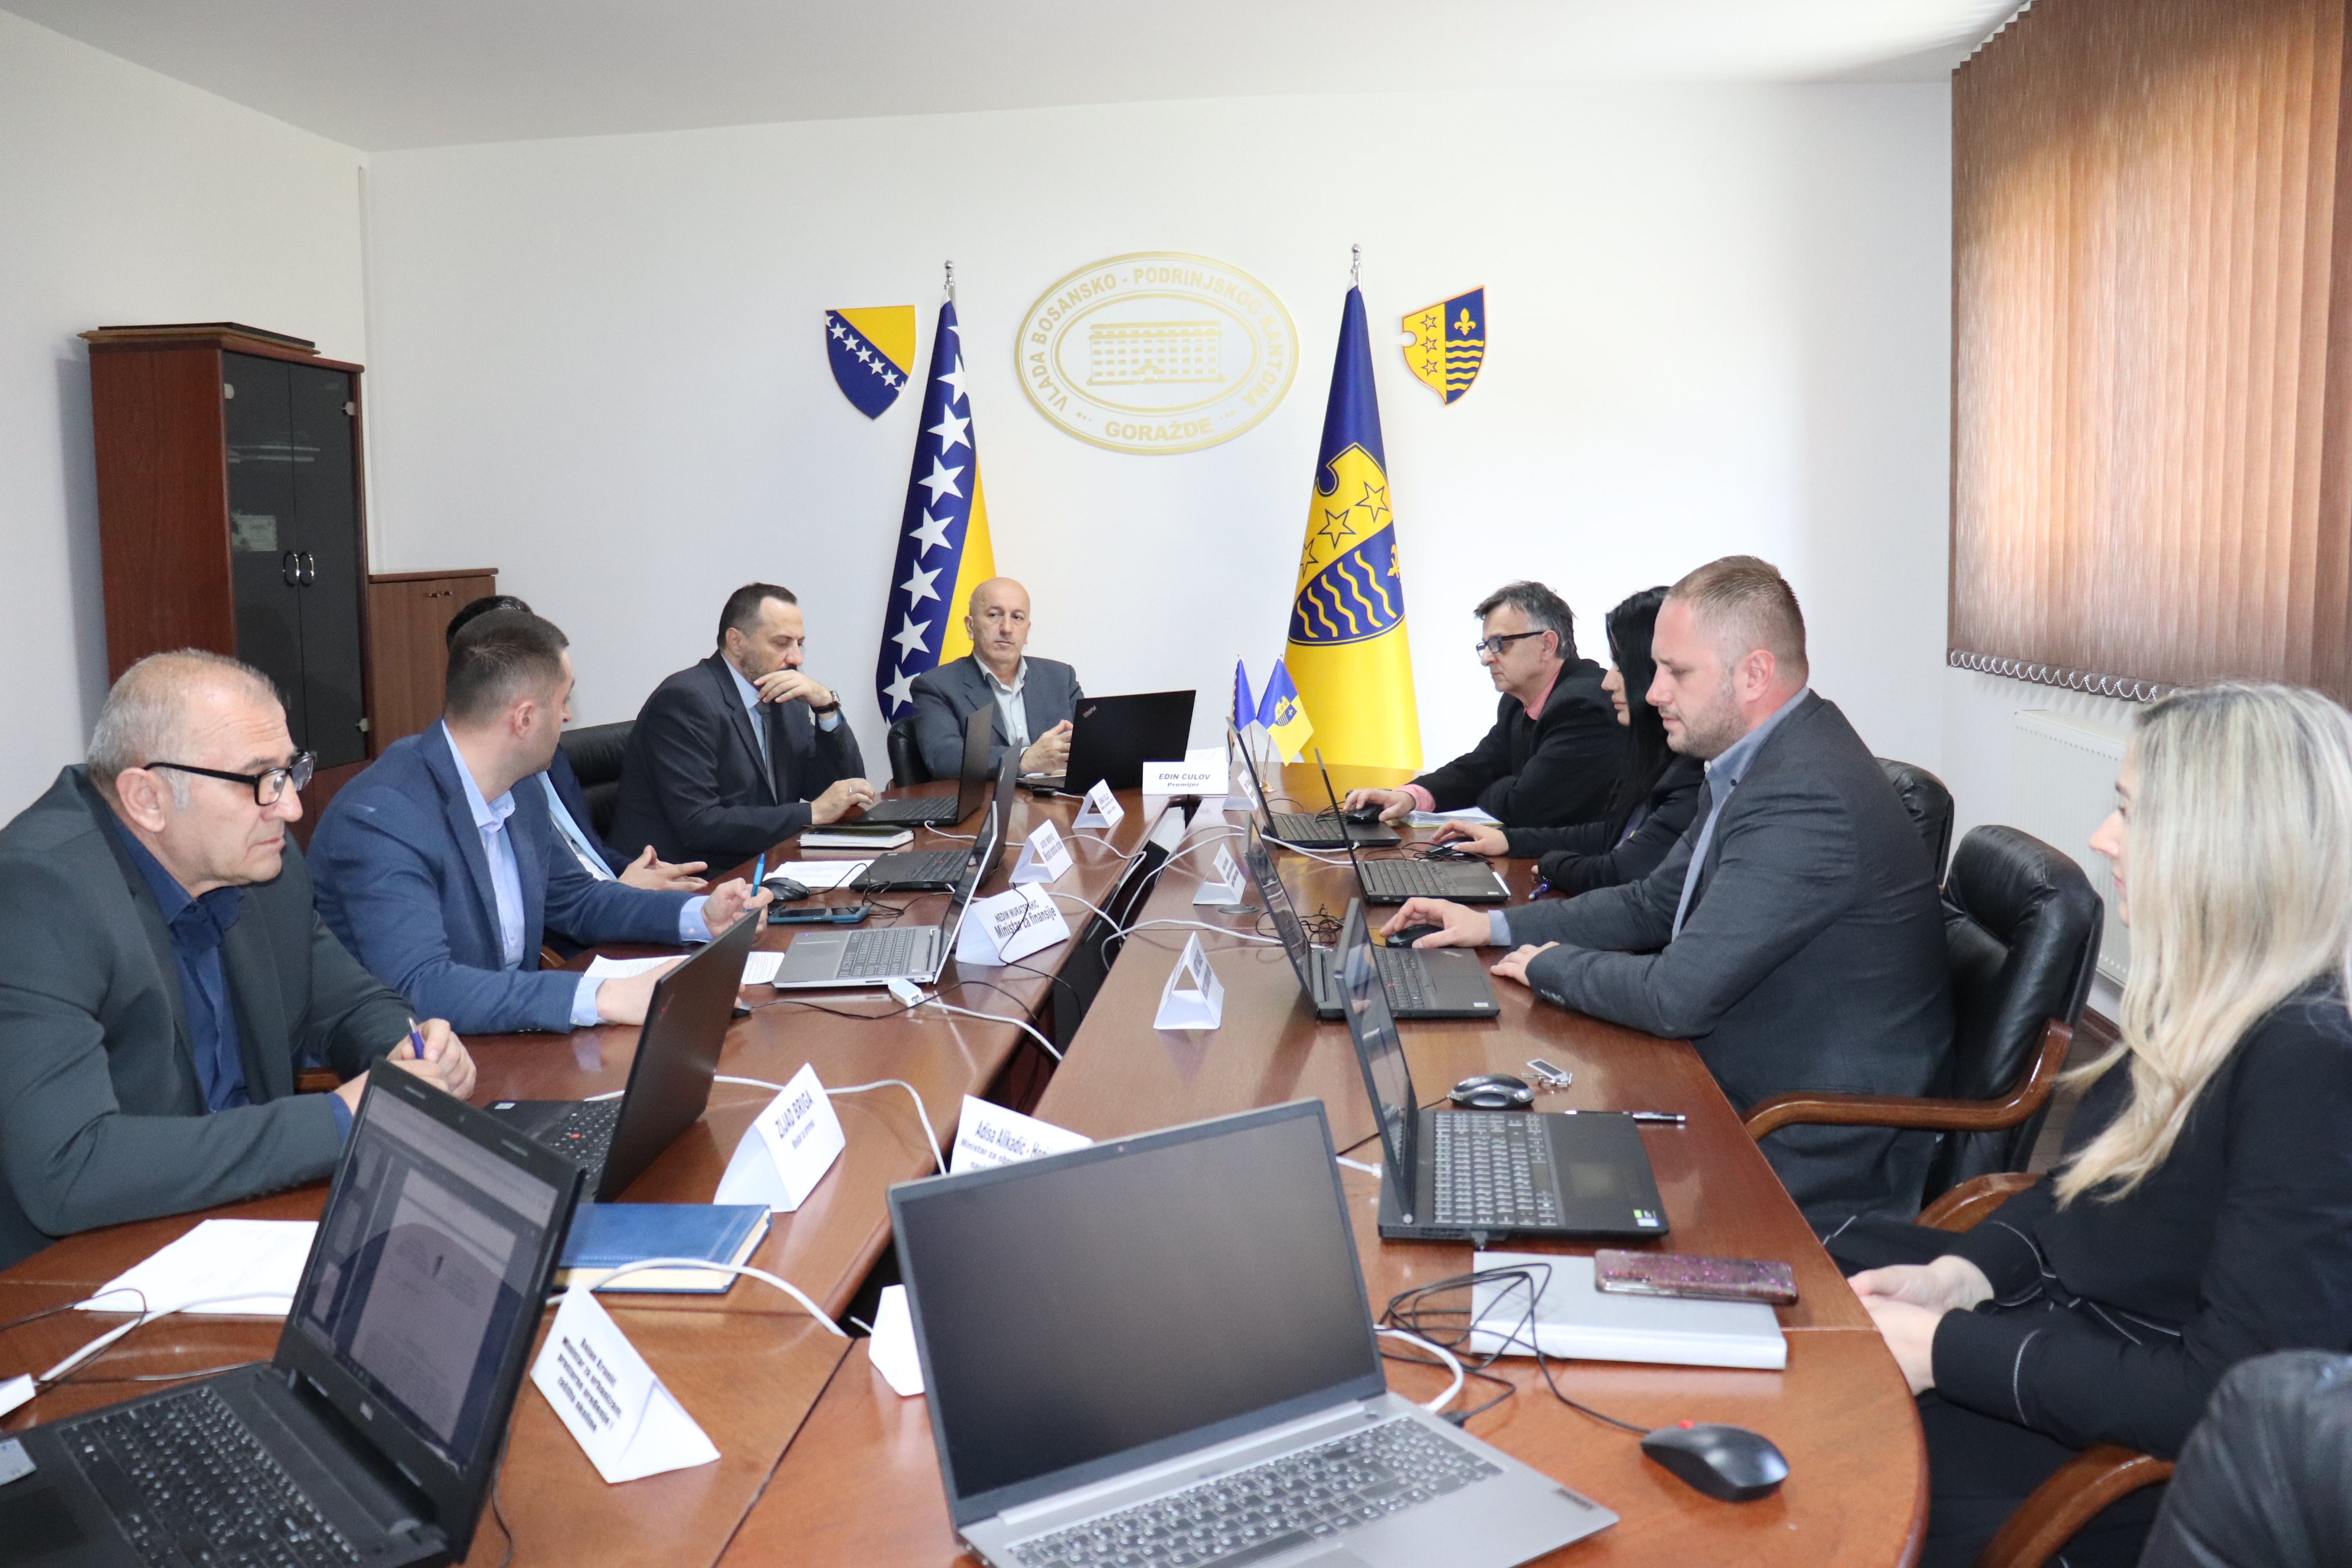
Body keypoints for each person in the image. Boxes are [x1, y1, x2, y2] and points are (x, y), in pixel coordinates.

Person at [1840, 682, 2352, 1568]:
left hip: (2109, 1468)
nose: (2101, 837)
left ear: (2227, 846)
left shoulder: (2308, 1064)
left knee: (1812, 1477)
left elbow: (2231, 1395)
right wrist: (1961, 1278)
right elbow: (2069, 1194)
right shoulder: (2198, 1007)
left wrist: (1949, 1352)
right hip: (2059, 1354)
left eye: (2131, 812)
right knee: (1805, 1290)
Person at [1383, 556, 1952, 1225]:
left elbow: (1675, 996)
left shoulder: (1806, 796)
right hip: (1728, 1077)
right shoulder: (1760, 760)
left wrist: (1548, 964)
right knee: (1504, 1156)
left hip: (1798, 1140)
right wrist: (1493, 927)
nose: (1652, 693)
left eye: (1676, 672)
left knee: (1515, 1180)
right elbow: (1653, 902)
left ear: (1755, 674)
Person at [0, 651, 476, 1271]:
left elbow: (350, 1005)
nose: (291, 807)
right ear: (147, 798)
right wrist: (340, 1117)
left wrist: (413, 1053)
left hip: (244, 1229)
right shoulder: (38, 893)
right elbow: (71, 1166)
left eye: (289, 771)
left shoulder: (260, 862)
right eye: (259, 780)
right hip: (76, 1275)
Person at [311, 610, 769, 1035]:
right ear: (525, 718)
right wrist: (603, 997)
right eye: (564, 701)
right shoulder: (384, 817)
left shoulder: (521, 787)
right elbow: (422, 988)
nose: (568, 716)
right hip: (416, 1063)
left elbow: (577, 900)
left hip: (505, 1040)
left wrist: (699, 915)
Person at [1433, 586, 1704, 896]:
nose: (1608, 682)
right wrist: (1508, 840)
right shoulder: (1515, 703)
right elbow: (1610, 833)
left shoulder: (1587, 706)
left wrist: (1550, 865)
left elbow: (1617, 868)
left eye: (1621, 665)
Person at [442, 594, 706, 891]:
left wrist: (647, 875)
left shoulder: (550, 755)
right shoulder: (485, 783)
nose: (567, 715)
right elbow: (544, 898)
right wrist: (623, 890)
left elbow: (589, 850)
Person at [608, 583, 878, 867]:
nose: (796, 658)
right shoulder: (686, 701)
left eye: (799, 644)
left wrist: (825, 705)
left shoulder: (786, 698)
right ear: (736, 642)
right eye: (782, 643)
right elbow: (700, 824)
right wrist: (812, 813)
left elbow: (845, 790)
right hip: (682, 875)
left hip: (759, 864)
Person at [1342, 580, 1622, 828]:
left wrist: (1490, 788)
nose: (1486, 658)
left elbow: (1523, 807)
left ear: (1547, 645)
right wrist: (1408, 796)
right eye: (1485, 646)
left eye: (1499, 643)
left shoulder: (1585, 706)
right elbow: (1479, 767)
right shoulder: (1515, 702)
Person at [907, 577, 1083, 780]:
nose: (1007, 628)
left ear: (1027, 630)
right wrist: (1022, 759)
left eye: (1017, 617)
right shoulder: (935, 686)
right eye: (994, 615)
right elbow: (944, 758)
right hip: (987, 799)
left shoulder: (1060, 677)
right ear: (971, 626)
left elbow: (1089, 743)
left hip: (1059, 797)